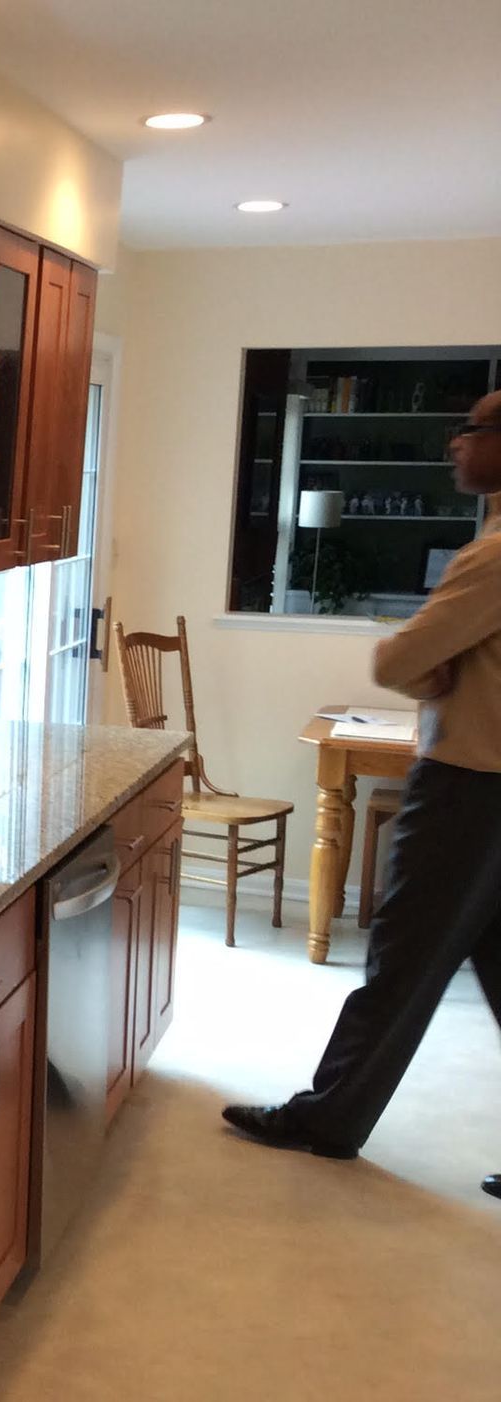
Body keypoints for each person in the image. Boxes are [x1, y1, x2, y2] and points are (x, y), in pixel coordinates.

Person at [223, 388, 501, 1201]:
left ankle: (328, 1119)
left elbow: (393, 664)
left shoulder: (492, 553)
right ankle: (333, 1115)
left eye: (473, 430)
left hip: (469, 788)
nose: (456, 444)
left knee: (400, 962)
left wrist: (427, 667)